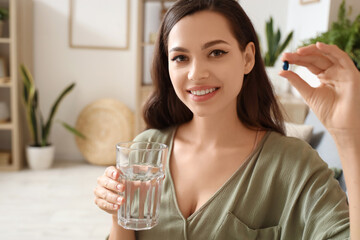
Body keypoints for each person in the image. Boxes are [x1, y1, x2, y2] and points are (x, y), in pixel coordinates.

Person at [94, 0, 360, 239]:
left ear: (248, 58)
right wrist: (119, 213)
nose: (196, 73)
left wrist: (349, 137)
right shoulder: (146, 149)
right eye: (180, 58)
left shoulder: (293, 164)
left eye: (216, 52)